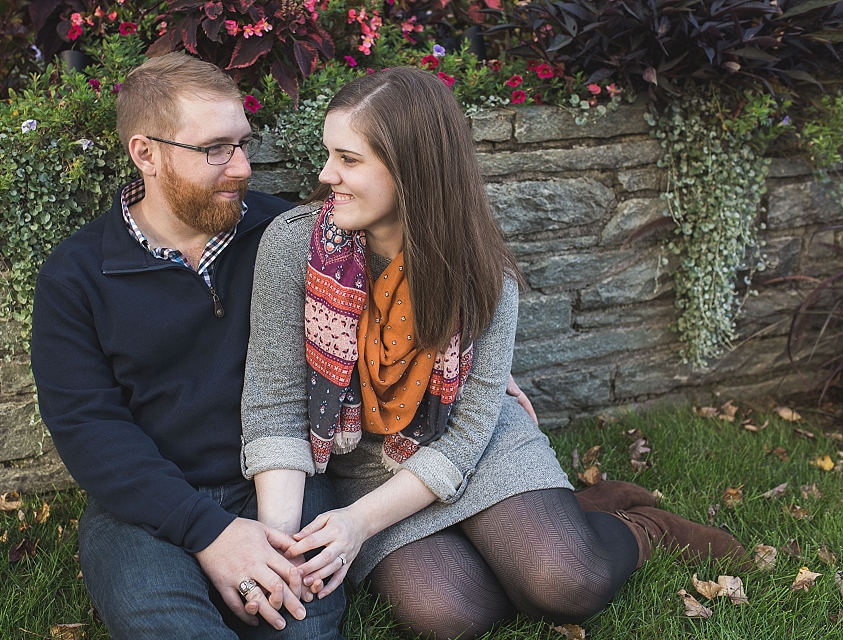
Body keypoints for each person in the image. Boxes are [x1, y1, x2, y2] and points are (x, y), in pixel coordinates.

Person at [241, 66, 750, 638]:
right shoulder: (294, 245)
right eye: (329, 153)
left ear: (412, 170)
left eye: (349, 159)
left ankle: (642, 528)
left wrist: (357, 527)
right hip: (365, 462)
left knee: (565, 582)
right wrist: (276, 545)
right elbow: (276, 404)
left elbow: (468, 431)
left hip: (468, 440)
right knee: (449, 614)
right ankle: (561, 512)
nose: (326, 174)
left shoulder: (479, 268)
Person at [30, 52, 346, 639]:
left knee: (303, 623)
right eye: (215, 150)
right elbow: (87, 426)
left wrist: (457, 354)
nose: (242, 167)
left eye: (244, 144)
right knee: (167, 623)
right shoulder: (76, 276)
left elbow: (388, 292)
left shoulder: (287, 235)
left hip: (278, 484)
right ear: (145, 153)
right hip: (146, 505)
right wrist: (207, 532)